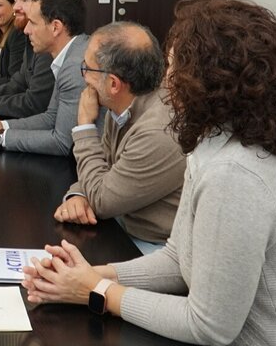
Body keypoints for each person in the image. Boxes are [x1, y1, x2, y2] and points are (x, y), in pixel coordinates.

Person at [22, 0, 276, 346]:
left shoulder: (236, 174)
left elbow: (208, 324)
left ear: (208, 84)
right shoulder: (216, 146)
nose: (165, 83)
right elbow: (180, 260)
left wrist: (96, 292)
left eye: (173, 70)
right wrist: (96, 273)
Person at [54, 21, 184, 255]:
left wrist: (84, 125)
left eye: (87, 68)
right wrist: (78, 194)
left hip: (154, 249)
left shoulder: (157, 131)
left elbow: (103, 200)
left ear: (113, 84)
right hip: (122, 225)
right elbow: (102, 169)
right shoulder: (123, 106)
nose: (84, 76)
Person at [0, 0, 89, 156]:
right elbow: (51, 117)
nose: (26, 30)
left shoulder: (76, 67)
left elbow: (63, 142)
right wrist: (0, 126)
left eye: (33, 22)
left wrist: (0, 137)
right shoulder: (69, 56)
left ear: (55, 27)